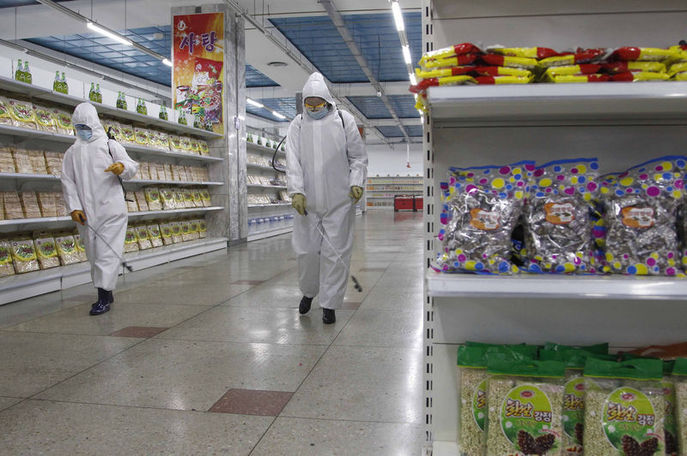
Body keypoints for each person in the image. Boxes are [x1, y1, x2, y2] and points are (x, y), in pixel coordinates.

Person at [286, 72, 368, 324]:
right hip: (307, 203)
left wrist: (356, 182)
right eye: (309, 104)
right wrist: (296, 191)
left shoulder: (344, 120)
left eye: (317, 103)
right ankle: (308, 292)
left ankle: (329, 305)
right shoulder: (298, 124)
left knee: (336, 254)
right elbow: (292, 160)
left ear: (327, 101)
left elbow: (357, 157)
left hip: (339, 201)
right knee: (307, 252)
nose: (314, 108)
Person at [61, 102, 138, 316]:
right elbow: (67, 181)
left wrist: (122, 167)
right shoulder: (72, 152)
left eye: (85, 126)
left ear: (94, 124)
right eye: (78, 127)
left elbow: (131, 166)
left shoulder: (109, 145)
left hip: (111, 209)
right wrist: (73, 207)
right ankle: (107, 290)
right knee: (94, 254)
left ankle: (103, 297)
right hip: (86, 214)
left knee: (106, 254)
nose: (82, 131)